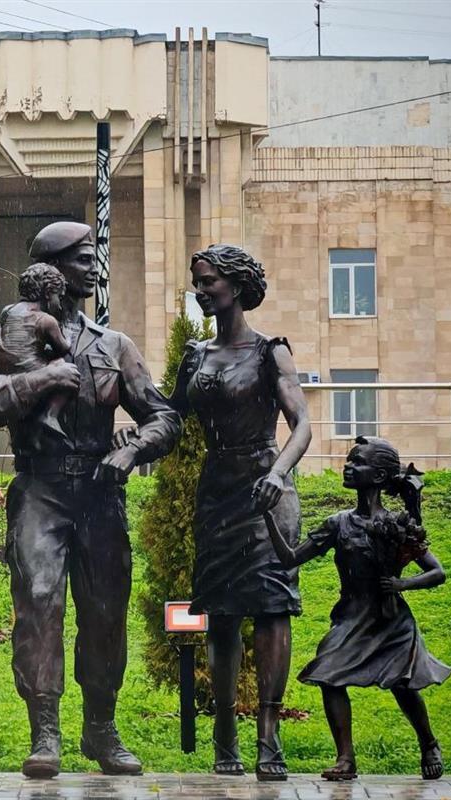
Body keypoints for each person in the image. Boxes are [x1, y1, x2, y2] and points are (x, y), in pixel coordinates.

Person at [0, 221, 181, 778]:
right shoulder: (3, 336)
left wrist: (132, 452)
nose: (95, 268)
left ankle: (100, 727)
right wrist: (41, 380)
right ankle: (45, 730)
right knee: (39, 603)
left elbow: (163, 417)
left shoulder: (114, 345)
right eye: (84, 258)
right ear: (54, 270)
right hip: (40, 489)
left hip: (100, 494)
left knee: (105, 613)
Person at [114, 243, 312, 780]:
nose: (200, 291)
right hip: (218, 491)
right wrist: (135, 437)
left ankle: (268, 737)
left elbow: (302, 425)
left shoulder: (271, 352)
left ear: (237, 287)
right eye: (197, 282)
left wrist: (279, 474)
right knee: (221, 613)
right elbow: (169, 418)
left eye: (208, 282)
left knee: (271, 607)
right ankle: (225, 737)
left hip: (266, 489)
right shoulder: (196, 357)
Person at [263, 436, 450, 781]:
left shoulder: (397, 524)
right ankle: (345, 758)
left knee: (403, 685)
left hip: (391, 620)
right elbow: (290, 557)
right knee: (328, 673)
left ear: (378, 476)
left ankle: (428, 743)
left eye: (357, 462)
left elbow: (437, 572)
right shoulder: (338, 524)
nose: (347, 466)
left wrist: (403, 584)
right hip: (351, 616)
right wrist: (267, 514)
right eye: (349, 460)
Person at [0, 262, 72, 439]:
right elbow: (63, 348)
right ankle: (51, 415)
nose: (60, 306)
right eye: (59, 297)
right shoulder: (46, 320)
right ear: (48, 293)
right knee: (65, 369)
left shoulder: (7, 311)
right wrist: (68, 336)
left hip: (4, 373)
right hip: (31, 375)